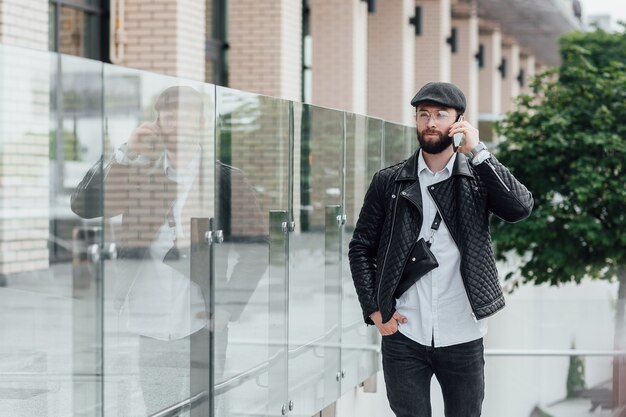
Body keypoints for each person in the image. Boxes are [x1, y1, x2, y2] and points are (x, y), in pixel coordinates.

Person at [70, 86, 267, 415]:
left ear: (202, 122)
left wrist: (229, 306)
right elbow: (83, 206)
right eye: (168, 117)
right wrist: (123, 152)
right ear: (157, 123)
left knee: (204, 409)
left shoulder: (226, 180)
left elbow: (256, 249)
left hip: (204, 320)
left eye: (184, 116)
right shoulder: (137, 172)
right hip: (151, 320)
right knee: (158, 408)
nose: (175, 124)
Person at [348, 82, 533, 417]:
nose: (430, 122)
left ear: (458, 122)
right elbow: (361, 248)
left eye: (440, 115)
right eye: (423, 115)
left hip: (462, 332)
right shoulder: (389, 182)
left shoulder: (476, 178)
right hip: (404, 332)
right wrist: (374, 310)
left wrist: (479, 152)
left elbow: (520, 208)